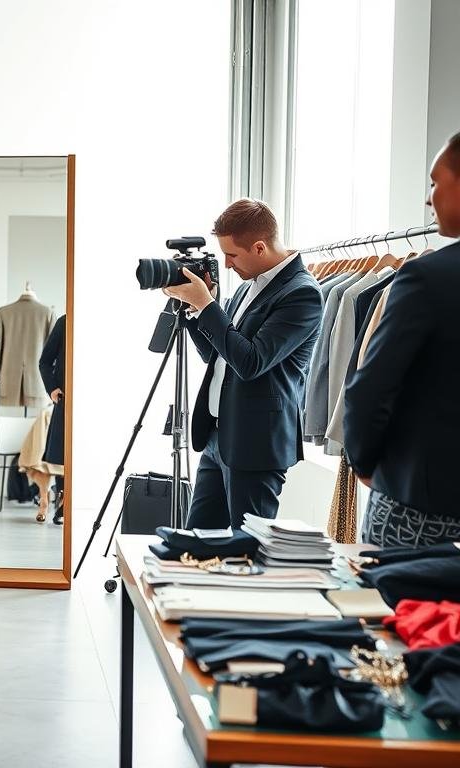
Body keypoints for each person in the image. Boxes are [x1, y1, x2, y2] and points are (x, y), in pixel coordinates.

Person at [163, 199, 322, 529]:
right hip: (217, 437)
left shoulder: (302, 294)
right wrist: (193, 309)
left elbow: (251, 362)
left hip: (256, 446)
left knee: (247, 553)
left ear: (260, 247)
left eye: (232, 255)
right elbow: (216, 356)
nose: (227, 264)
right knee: (197, 544)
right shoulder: (249, 286)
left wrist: (207, 305)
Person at [343, 134, 460, 546]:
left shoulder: (427, 278)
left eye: (435, 182)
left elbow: (373, 384)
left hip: (419, 507)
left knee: (396, 609)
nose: (429, 199)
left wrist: (364, 460)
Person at [39, 314, 67, 525]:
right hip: (66, 398)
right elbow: (45, 361)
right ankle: (62, 502)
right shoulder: (64, 322)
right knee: (63, 455)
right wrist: (52, 389)